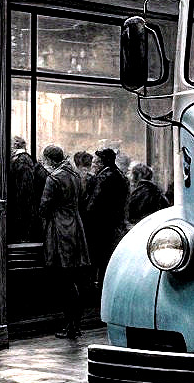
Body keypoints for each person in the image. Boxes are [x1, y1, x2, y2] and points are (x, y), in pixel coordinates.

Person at [39, 145, 91, 339]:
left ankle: (70, 326)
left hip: (60, 230)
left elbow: (44, 207)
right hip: (76, 227)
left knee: (65, 281)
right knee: (74, 279)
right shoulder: (75, 175)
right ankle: (75, 325)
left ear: (50, 160)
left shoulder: (53, 178)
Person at [83, 148, 126, 271]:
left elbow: (93, 203)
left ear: (102, 163)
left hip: (100, 224)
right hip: (113, 222)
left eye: (95, 162)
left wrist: (86, 219)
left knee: (98, 255)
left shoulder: (103, 177)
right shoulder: (119, 174)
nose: (93, 165)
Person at [9, 137, 40, 244]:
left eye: (12, 144)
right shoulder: (20, 158)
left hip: (22, 201)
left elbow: (25, 185)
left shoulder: (23, 159)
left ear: (16, 145)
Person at [127, 161, 171, 227]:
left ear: (137, 176)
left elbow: (131, 212)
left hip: (144, 226)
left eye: (131, 174)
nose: (129, 177)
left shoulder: (142, 191)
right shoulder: (155, 190)